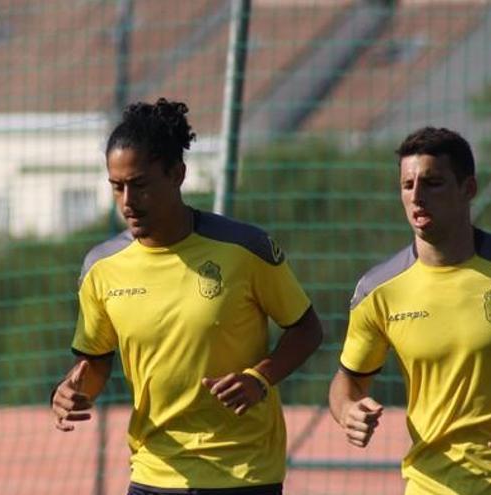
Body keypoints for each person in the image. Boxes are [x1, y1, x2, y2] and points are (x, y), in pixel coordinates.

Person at [50, 98, 323, 494]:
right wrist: (69, 393)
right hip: (153, 472)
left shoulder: (246, 248)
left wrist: (259, 379)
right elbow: (93, 363)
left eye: (140, 185)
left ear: (177, 174)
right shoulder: (101, 267)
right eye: (117, 187)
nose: (127, 201)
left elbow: (307, 330)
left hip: (244, 473)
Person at [328, 126, 491, 493]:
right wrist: (347, 410)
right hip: (428, 484)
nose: (417, 196)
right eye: (407, 185)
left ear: (468, 189)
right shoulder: (377, 291)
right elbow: (348, 380)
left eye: (432, 183)